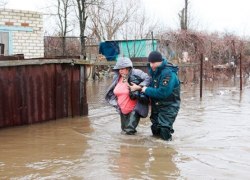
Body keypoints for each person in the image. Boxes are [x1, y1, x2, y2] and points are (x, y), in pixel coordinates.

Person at [130, 51, 181, 141]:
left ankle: (167, 151)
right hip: (156, 106)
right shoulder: (155, 71)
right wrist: (140, 88)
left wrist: (144, 89)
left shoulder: (169, 74)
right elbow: (152, 86)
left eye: (154, 63)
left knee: (164, 129)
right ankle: (157, 151)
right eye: (150, 62)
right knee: (155, 129)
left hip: (169, 106)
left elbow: (163, 93)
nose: (151, 65)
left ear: (160, 61)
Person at [105, 57, 151, 135]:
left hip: (135, 109)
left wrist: (139, 87)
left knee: (129, 131)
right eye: (119, 69)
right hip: (122, 109)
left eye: (122, 68)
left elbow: (149, 79)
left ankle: (132, 146)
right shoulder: (117, 77)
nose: (120, 71)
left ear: (128, 68)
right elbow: (112, 92)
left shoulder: (137, 73)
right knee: (123, 131)